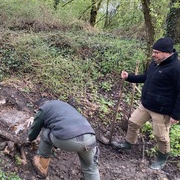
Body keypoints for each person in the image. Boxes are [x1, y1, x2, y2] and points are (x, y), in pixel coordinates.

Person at [111, 37, 180, 170]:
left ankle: (161, 159)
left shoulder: (176, 68)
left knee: (161, 136)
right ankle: (128, 144)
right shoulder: (155, 63)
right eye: (153, 51)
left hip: (162, 110)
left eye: (156, 52)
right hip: (146, 104)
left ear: (167, 52)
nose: (153, 54)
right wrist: (129, 77)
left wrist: (176, 115)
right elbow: (146, 77)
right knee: (133, 122)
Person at [28, 99, 100, 180]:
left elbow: (35, 129)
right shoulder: (63, 105)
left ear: (39, 106)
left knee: (46, 133)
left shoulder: (43, 109)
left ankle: (42, 165)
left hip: (68, 139)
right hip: (90, 138)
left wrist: (30, 138)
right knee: (91, 168)